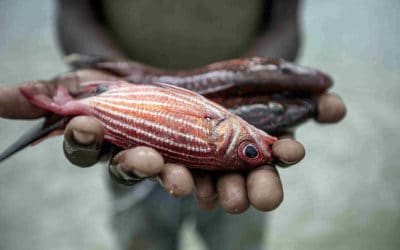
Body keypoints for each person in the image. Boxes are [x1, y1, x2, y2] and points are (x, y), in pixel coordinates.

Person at [0, 0, 346, 249]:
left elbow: (283, 20)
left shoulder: (227, 132)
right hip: (129, 148)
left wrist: (265, 72)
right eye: (250, 149)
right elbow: (75, 11)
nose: (259, 145)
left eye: (252, 148)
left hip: (149, 131)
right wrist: (108, 73)